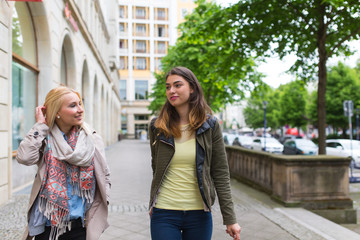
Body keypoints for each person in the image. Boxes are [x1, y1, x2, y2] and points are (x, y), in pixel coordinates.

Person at [148, 66, 241, 240]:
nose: (171, 91)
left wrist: (230, 219)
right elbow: (156, 167)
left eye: (177, 85)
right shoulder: (157, 126)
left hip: (199, 213)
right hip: (165, 212)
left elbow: (220, 173)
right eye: (168, 87)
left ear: (192, 88)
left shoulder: (210, 125)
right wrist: (153, 200)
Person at [16, 86, 111, 240]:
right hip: (48, 227)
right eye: (73, 105)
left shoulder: (91, 138)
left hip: (82, 226)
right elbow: (25, 157)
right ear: (57, 112)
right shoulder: (44, 138)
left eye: (80, 103)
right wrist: (40, 125)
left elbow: (105, 174)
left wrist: (102, 201)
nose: (80, 109)